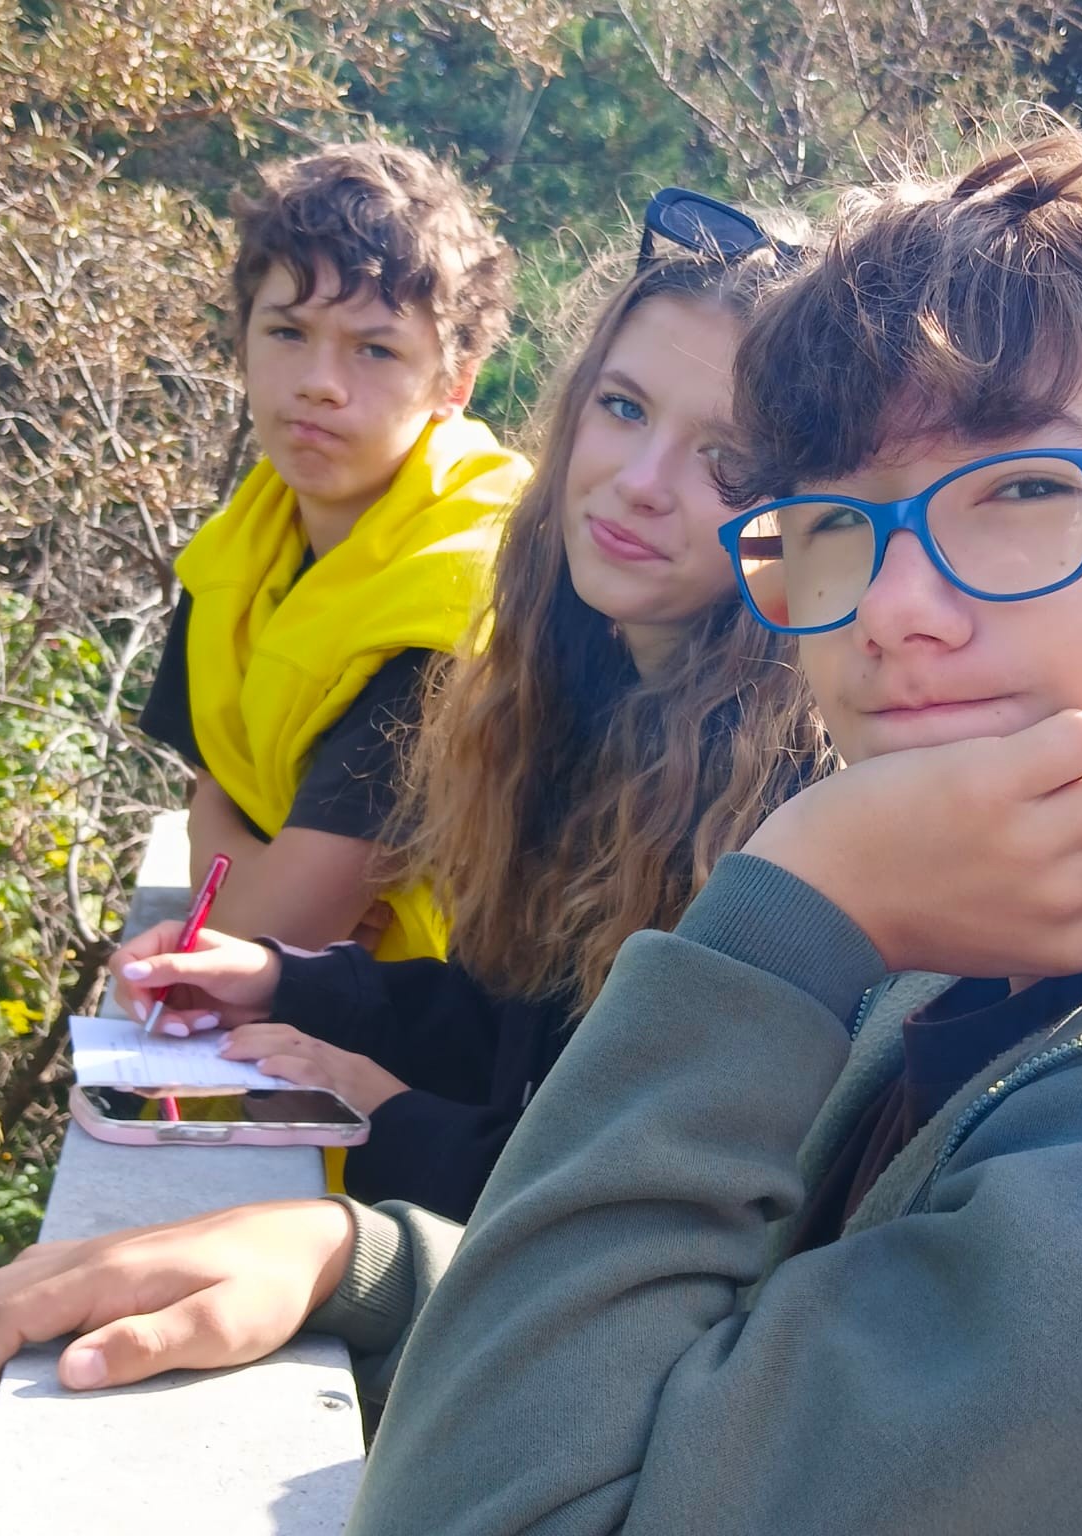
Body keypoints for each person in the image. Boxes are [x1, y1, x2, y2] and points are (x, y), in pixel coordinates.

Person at [0, 125, 1082, 1535]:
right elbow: (760, 1347)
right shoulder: (1033, 941)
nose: (889, 608)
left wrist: (784, 912)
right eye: (832, 524)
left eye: (1019, 494)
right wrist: (368, 1256)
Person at [110, 196, 823, 1221]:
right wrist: (283, 982)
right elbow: (513, 1025)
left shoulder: (788, 808)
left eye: (728, 460)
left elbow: (647, 1206)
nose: (639, 482)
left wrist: (388, 1117)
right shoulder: (576, 688)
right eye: (623, 408)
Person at [138, 141, 528, 954]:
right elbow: (218, 821)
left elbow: (275, 932)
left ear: (455, 382)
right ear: (242, 341)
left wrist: (263, 890)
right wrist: (267, 885)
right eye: (287, 331)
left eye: (375, 349)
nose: (319, 381)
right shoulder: (235, 557)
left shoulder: (457, 589)